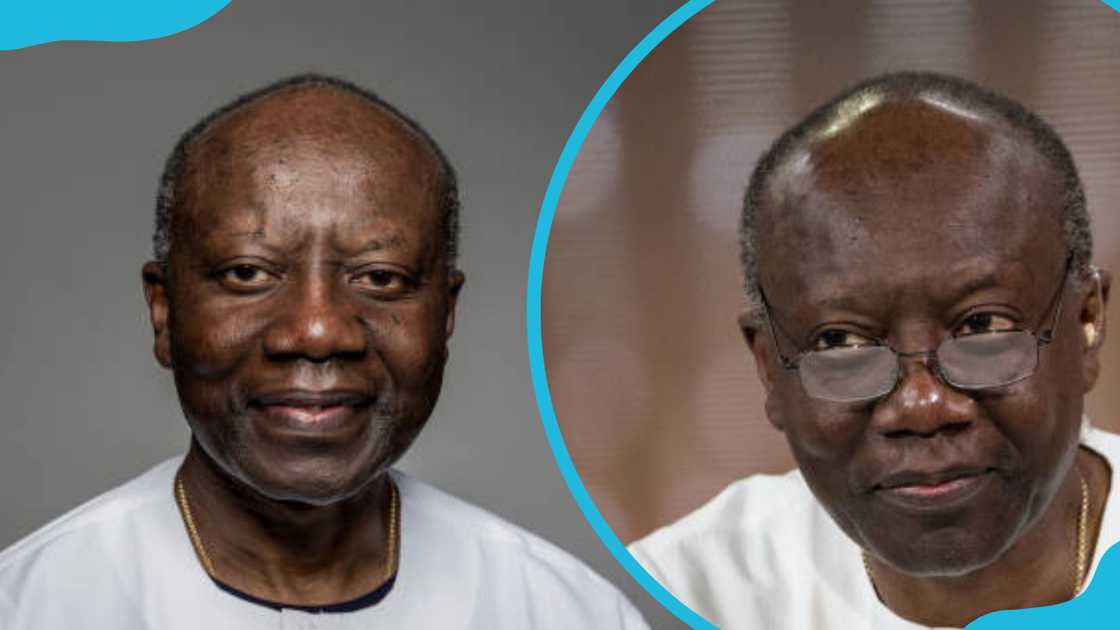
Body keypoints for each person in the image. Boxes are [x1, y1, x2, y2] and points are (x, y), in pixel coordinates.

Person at [0, 74, 646, 629]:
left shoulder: (568, 611)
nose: (317, 331)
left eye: (381, 277)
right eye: (248, 273)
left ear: (445, 315)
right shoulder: (30, 604)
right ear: (164, 311)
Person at [628, 71, 1114, 630]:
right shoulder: (669, 595)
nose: (922, 405)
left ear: (1085, 321)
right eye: (841, 341)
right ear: (768, 367)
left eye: (982, 325)